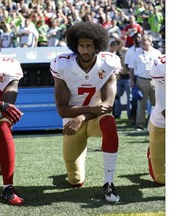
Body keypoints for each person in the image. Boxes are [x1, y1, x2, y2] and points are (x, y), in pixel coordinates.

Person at [50, 21, 121, 203]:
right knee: (75, 181)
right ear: (75, 46)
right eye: (81, 45)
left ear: (97, 45)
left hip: (94, 119)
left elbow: (107, 105)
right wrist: (86, 112)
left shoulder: (108, 63)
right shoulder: (62, 65)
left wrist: (81, 116)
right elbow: (62, 110)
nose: (85, 50)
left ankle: (109, 183)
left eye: (89, 45)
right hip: (72, 124)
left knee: (109, 122)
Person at [0, 35, 24, 205]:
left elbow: (11, 90)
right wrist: (0, 104)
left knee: (3, 124)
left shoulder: (8, 63)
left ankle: (8, 187)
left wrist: (4, 105)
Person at [129, 34, 162, 131]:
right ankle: (140, 125)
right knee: (141, 104)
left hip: (155, 81)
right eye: (142, 40)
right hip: (141, 80)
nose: (142, 42)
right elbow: (131, 68)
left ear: (150, 42)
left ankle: (156, 124)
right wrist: (131, 80)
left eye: (145, 40)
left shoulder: (157, 53)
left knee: (156, 104)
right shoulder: (136, 53)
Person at [148, 54, 166, 185]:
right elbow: (163, 106)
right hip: (161, 123)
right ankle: (151, 153)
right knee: (161, 179)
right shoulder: (161, 65)